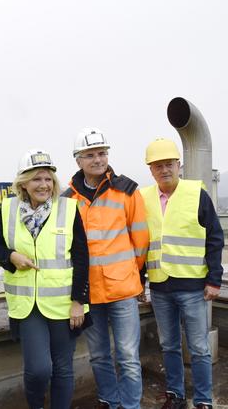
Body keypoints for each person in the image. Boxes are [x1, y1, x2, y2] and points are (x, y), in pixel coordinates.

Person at [0, 149, 90, 409]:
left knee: (63, 368)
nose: (44, 185)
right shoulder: (8, 209)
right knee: (38, 370)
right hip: (27, 306)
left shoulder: (68, 209)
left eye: (48, 179)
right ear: (23, 182)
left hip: (63, 304)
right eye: (36, 179)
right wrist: (11, 256)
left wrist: (79, 300)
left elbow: (81, 257)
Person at [62, 127, 149, 409]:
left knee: (127, 355)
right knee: (98, 355)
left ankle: (131, 406)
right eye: (90, 155)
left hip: (122, 289)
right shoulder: (67, 199)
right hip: (88, 293)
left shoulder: (127, 190)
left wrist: (129, 274)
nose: (98, 160)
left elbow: (141, 240)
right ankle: (109, 402)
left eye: (102, 153)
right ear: (78, 160)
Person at [140, 138, 224, 409]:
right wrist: (140, 281)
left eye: (169, 164)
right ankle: (175, 396)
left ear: (179, 165)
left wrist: (214, 279)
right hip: (160, 286)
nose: (164, 170)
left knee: (199, 348)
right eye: (157, 166)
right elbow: (140, 243)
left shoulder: (196, 194)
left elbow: (214, 237)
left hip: (192, 287)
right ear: (151, 170)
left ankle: (202, 401)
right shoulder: (143, 198)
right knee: (169, 346)